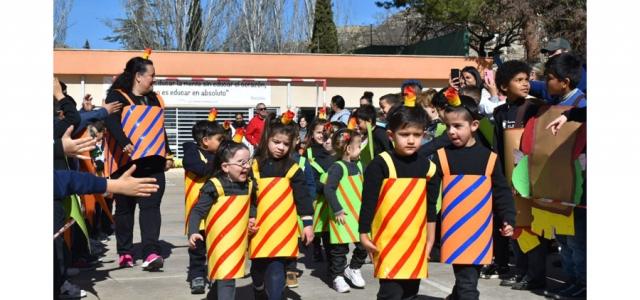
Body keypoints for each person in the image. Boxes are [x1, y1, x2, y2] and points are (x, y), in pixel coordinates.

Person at [430, 94, 515, 300]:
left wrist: (508, 218)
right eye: (448, 126)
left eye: (458, 126)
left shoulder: (489, 158)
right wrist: (429, 228)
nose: (451, 131)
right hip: (454, 232)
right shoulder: (441, 156)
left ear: (474, 125)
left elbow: (501, 191)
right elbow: (430, 197)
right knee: (468, 282)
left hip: (480, 231)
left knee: (468, 278)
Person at [358, 104, 437, 300]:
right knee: (390, 293)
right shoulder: (380, 164)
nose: (411, 140)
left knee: (411, 292)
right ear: (391, 136)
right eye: (405, 134)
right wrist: (363, 234)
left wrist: (430, 239)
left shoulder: (429, 167)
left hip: (415, 241)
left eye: (417, 135)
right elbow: (368, 202)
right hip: (387, 242)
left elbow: (431, 206)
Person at [103, 54, 174, 271]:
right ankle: (124, 252)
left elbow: (159, 128)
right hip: (124, 164)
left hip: (152, 163)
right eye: (151, 75)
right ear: (138, 76)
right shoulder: (117, 96)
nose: (154, 79)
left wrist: (168, 154)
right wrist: (124, 142)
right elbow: (110, 121)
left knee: (151, 208)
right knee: (124, 209)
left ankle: (150, 252)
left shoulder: (155, 99)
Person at [490, 61, 546, 291]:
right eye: (519, 80)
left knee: (533, 229)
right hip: (508, 181)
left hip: (531, 181)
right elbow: (497, 148)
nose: (525, 84)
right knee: (514, 227)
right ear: (504, 86)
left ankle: (536, 275)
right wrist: (500, 179)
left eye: (526, 79)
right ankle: (520, 271)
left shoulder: (536, 108)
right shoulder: (500, 112)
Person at [248, 112, 315, 300]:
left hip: (282, 228)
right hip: (258, 226)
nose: (281, 147)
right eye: (276, 142)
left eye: (286, 144)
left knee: (277, 266)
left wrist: (307, 224)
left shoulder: (293, 168)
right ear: (267, 139)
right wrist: (251, 216)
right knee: (258, 268)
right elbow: (249, 196)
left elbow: (303, 198)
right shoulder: (254, 166)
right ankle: (259, 288)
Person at [187, 141, 253, 300]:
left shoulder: (249, 185)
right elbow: (198, 211)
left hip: (238, 239)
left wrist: (252, 216)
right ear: (225, 167)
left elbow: (253, 204)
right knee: (226, 276)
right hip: (220, 240)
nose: (246, 166)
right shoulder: (215, 186)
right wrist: (193, 231)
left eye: (248, 161)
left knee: (228, 275)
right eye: (241, 162)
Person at [183, 120, 226, 294]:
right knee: (197, 248)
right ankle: (197, 276)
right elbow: (199, 169)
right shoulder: (192, 152)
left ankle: (219, 274)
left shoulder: (220, 154)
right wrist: (220, 166)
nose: (222, 142)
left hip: (218, 211)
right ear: (206, 140)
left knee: (218, 245)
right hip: (197, 211)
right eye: (219, 139)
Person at [322, 128, 367, 293]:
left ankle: (354, 268)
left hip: (358, 215)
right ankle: (337, 276)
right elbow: (329, 189)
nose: (360, 149)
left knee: (363, 245)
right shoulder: (338, 167)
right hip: (342, 216)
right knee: (339, 250)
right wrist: (337, 210)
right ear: (348, 149)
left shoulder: (359, 165)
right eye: (358, 146)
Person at [303, 119, 335, 263]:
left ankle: (329, 255)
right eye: (318, 132)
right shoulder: (308, 152)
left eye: (325, 132)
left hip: (330, 194)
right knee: (316, 225)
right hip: (315, 193)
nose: (322, 135)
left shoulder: (332, 150)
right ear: (312, 134)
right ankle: (316, 247)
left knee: (328, 227)